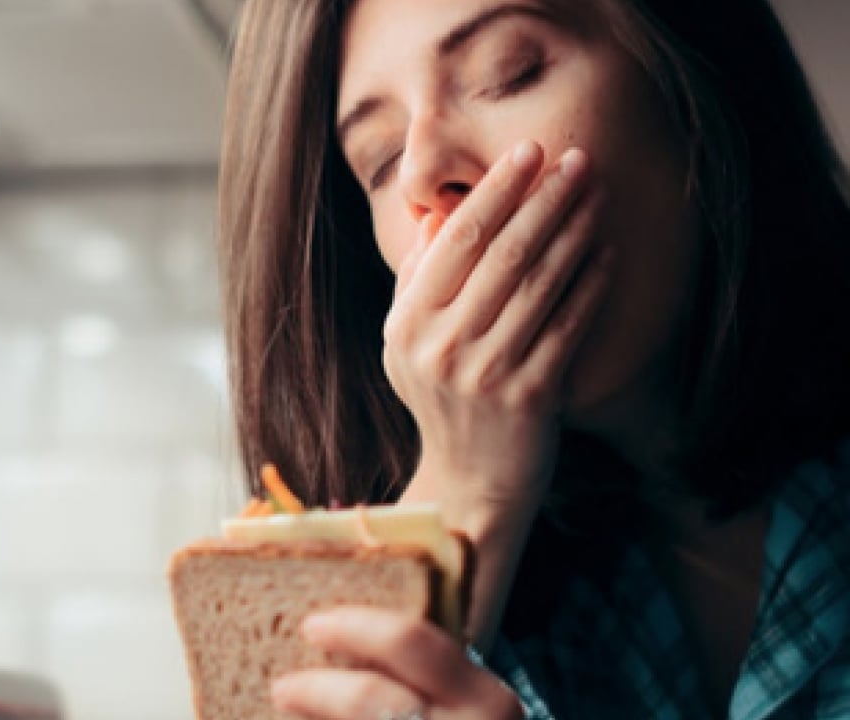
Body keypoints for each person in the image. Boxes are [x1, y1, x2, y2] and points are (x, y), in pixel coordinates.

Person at [216, 0, 850, 717]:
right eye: (382, 161)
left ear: (691, 83)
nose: (424, 169)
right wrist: (465, 485)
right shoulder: (525, 605)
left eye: (509, 75)